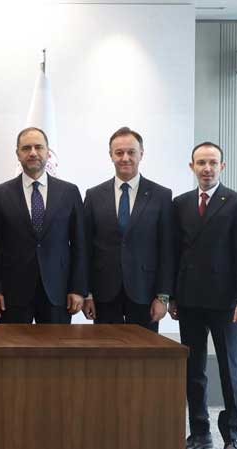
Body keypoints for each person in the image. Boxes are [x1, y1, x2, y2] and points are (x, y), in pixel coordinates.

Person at [171, 141, 237, 449]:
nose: (207, 168)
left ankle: (233, 436)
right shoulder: (180, 204)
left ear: (222, 166)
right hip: (189, 300)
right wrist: (173, 296)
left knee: (230, 370)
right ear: (191, 167)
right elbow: (176, 253)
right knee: (194, 370)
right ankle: (200, 432)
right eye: (201, 163)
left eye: (213, 162)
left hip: (225, 303)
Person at [0, 127, 86, 324]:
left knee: (56, 345)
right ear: (18, 154)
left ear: (48, 152)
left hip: (58, 292)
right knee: (13, 345)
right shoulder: (0, 194)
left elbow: (80, 245)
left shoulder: (69, 192)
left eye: (38, 147)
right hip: (12, 294)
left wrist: (78, 288)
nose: (32, 153)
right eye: (26, 148)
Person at [82, 127, 173, 331]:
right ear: (111, 155)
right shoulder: (94, 195)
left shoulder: (161, 196)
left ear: (141, 154)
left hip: (145, 292)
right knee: (106, 348)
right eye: (119, 152)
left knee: (144, 350)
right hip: (104, 292)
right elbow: (85, 248)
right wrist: (87, 293)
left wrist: (163, 296)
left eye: (131, 152)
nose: (125, 158)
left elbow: (167, 249)